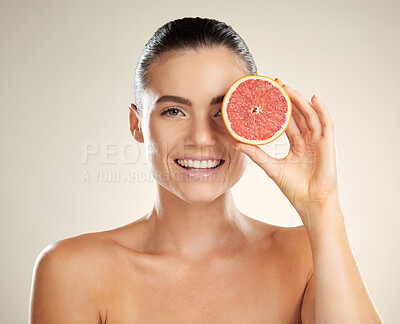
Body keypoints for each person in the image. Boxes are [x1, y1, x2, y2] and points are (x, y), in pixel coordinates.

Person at [29, 17, 384, 323]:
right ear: (136, 125)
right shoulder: (71, 271)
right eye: (173, 111)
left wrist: (322, 208)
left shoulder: (307, 256)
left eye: (221, 111)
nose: (201, 139)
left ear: (250, 119)